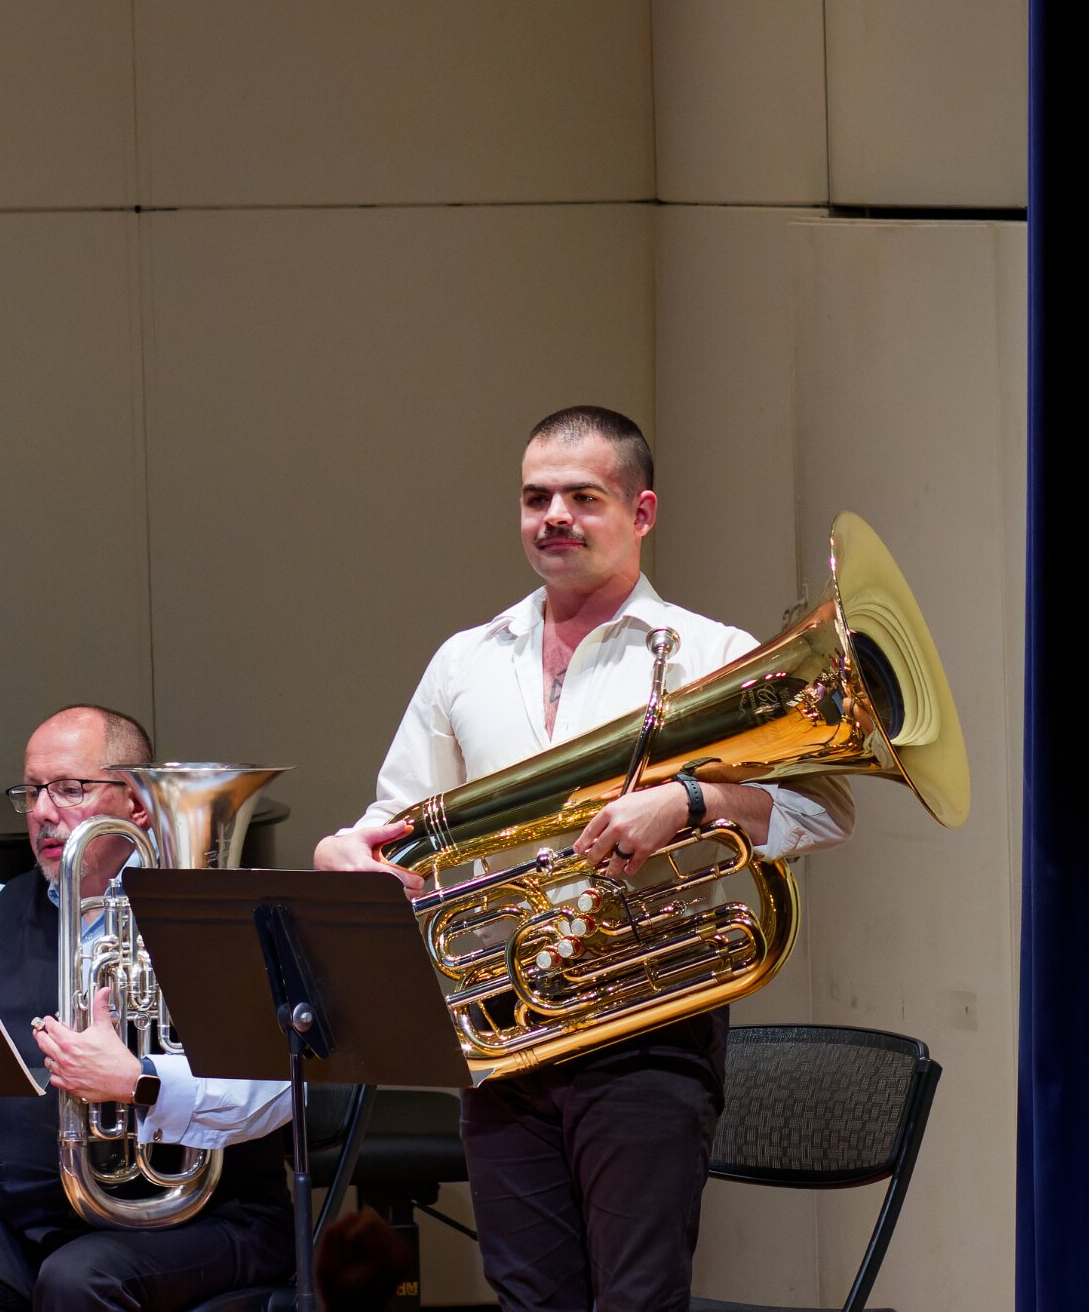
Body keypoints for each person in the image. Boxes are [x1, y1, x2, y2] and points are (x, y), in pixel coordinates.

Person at [313, 405, 855, 1312]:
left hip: (647, 1022)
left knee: (637, 1298)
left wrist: (690, 802)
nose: (553, 516)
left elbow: (821, 809)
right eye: (536, 498)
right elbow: (398, 821)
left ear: (641, 513)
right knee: (528, 1297)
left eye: (582, 497)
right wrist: (345, 850)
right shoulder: (465, 661)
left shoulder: (715, 654)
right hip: (503, 1023)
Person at [0, 705, 294, 1312]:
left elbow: (285, 1085)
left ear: (138, 805)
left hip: (207, 1219)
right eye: (31, 791)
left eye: (69, 789)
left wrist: (140, 1081)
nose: (41, 811)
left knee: (78, 1282)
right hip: (23, 1216)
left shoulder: (221, 916)